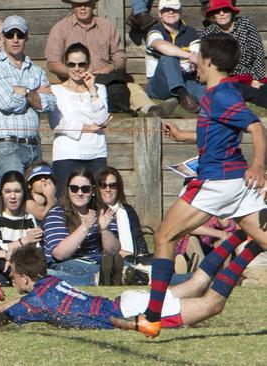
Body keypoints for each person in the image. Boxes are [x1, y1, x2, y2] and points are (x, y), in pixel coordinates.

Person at [111, 33, 267, 338]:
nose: (192, 63)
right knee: (261, 240)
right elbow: (218, 132)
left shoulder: (222, 94)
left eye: (196, 57)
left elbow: (256, 127)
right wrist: (184, 137)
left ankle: (152, 317)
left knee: (164, 236)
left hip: (217, 182)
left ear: (210, 61)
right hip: (235, 184)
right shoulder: (216, 94)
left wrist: (259, 164)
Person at [0, 241, 263, 331]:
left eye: (12, 276)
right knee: (196, 283)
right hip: (125, 302)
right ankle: (238, 237)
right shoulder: (49, 283)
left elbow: (4, 316)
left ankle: (254, 246)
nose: (11, 282)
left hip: (131, 311)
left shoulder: (35, 302)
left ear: (25, 276)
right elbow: (9, 306)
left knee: (211, 304)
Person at [45, 0, 172, 117]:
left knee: (133, 88)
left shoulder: (107, 26)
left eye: (87, 3)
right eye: (78, 4)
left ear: (94, 4)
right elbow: (52, 64)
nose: (83, 8)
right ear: (72, 6)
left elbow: (120, 56)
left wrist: (111, 67)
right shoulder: (60, 29)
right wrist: (75, 72)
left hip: (106, 78)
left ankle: (154, 110)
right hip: (77, 82)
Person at [0, 15, 55, 187]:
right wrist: (34, 93)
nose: (15, 39)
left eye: (20, 35)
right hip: (7, 147)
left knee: (38, 201)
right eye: (10, 34)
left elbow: (49, 104)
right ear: (2, 37)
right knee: (13, 202)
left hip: (34, 145)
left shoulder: (36, 70)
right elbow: (8, 103)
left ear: (27, 37)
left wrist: (22, 91)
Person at [48, 43, 109, 197]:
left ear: (88, 64)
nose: (77, 68)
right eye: (71, 64)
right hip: (67, 155)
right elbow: (57, 124)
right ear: (65, 65)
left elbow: (102, 119)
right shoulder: (56, 91)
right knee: (65, 200)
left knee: (97, 200)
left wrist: (92, 90)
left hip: (96, 154)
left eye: (81, 64)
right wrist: (90, 128)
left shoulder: (99, 88)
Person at [42, 167, 120, 286]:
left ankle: (107, 276)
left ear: (93, 191)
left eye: (85, 189)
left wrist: (104, 230)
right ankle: (104, 277)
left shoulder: (103, 213)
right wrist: (84, 227)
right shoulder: (56, 214)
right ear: (68, 190)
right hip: (66, 263)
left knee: (121, 265)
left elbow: (114, 251)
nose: (79, 193)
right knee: (51, 274)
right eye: (74, 189)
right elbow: (59, 254)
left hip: (99, 262)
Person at [201, 0, 267, 109]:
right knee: (253, 93)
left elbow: (258, 52)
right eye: (217, 11)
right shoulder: (210, 32)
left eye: (225, 10)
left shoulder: (246, 24)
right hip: (228, 78)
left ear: (232, 12)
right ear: (213, 15)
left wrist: (256, 79)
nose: (221, 14)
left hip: (250, 74)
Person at [144, 0, 205, 113]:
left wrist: (195, 62)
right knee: (168, 58)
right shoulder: (155, 31)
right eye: (166, 10)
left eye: (174, 9)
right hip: (159, 84)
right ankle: (183, 96)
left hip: (185, 78)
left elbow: (196, 52)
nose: (171, 12)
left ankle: (214, 110)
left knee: (203, 91)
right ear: (159, 14)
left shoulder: (190, 32)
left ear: (180, 11)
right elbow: (161, 45)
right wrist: (188, 55)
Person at [96, 167, 150, 261]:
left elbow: (139, 240)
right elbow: (97, 247)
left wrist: (142, 258)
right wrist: (125, 255)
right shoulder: (94, 211)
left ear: (119, 188)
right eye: (103, 185)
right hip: (107, 262)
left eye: (112, 185)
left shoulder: (127, 210)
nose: (108, 189)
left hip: (133, 261)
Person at [0, 171, 42, 252]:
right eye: (7, 191)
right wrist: (24, 241)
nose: (12, 196)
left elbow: (37, 251)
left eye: (17, 191)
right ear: (1, 194)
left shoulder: (29, 218)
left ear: (24, 193)